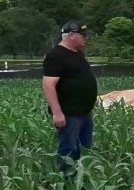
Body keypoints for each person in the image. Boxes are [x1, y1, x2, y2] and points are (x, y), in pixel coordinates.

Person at [42, 21, 98, 172]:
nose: (85, 38)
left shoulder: (77, 53)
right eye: (83, 35)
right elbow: (48, 85)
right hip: (69, 113)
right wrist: (57, 113)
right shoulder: (56, 55)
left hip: (84, 112)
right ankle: (67, 183)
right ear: (72, 35)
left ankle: (81, 180)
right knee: (69, 149)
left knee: (85, 148)